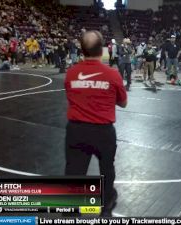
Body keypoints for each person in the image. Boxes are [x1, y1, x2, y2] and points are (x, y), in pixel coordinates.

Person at [64, 31, 127, 217]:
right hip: (103, 131)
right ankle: (105, 207)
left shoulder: (71, 73)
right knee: (107, 169)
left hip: (76, 131)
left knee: (74, 171)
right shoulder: (112, 75)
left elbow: (72, 96)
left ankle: (70, 212)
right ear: (102, 50)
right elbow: (123, 103)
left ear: (82, 51)